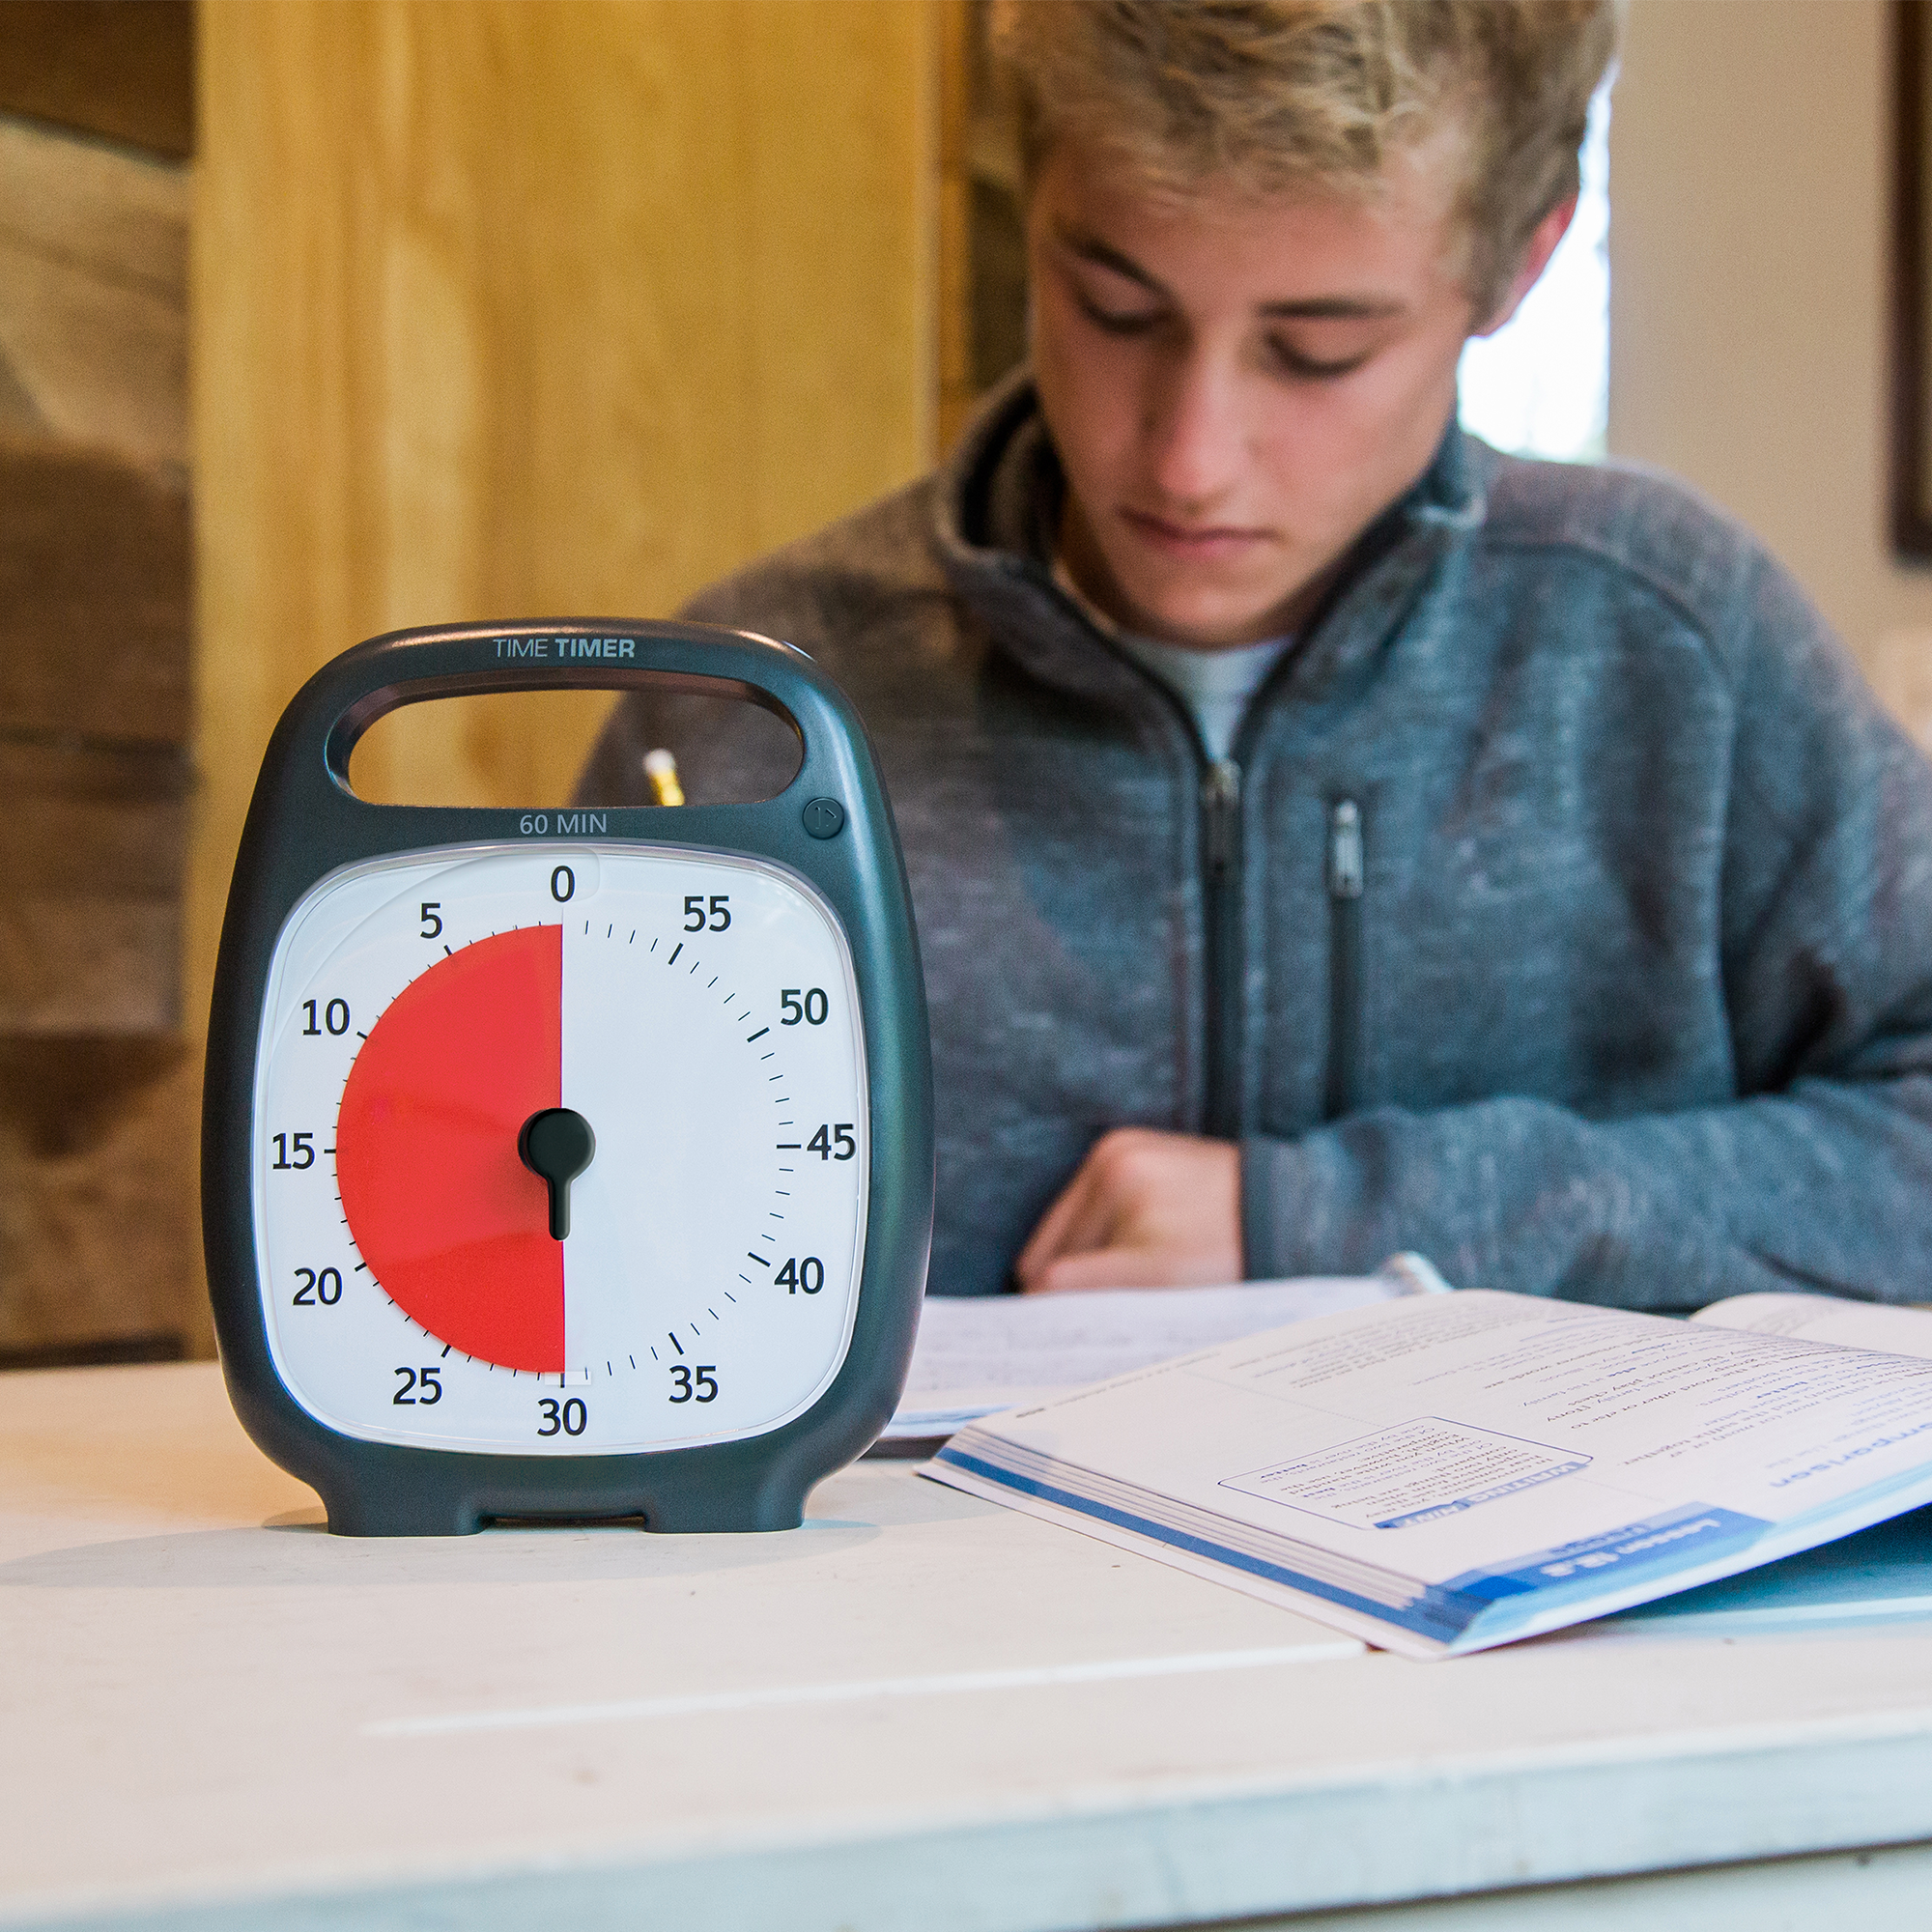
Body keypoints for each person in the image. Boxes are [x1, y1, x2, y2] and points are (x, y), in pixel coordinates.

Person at [580, 0, 1932, 1310]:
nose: (1189, 457)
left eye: (1317, 351)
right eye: (1116, 307)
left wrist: (1338, 1222)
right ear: (1033, 201)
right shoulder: (744, 714)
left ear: (1518, 264)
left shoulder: (1677, 648)